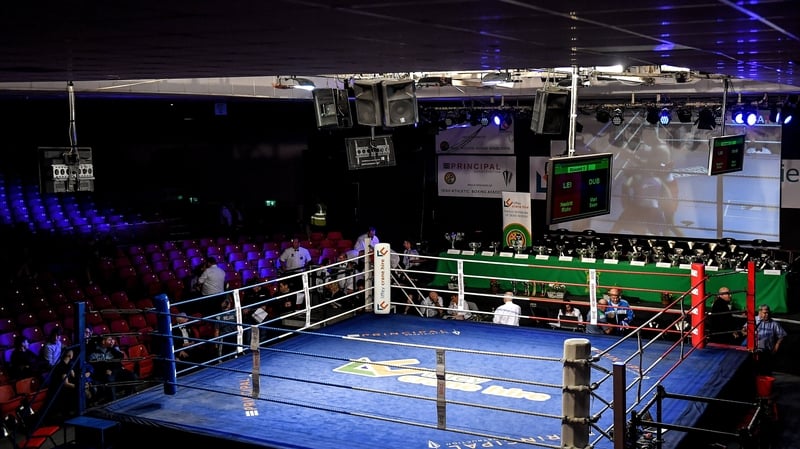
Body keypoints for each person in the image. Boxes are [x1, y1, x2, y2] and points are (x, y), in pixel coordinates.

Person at [88, 334, 137, 402]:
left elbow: (120, 357)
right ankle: (112, 402)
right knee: (110, 379)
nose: (112, 341)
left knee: (132, 375)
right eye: (109, 340)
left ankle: (128, 397)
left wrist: (113, 347)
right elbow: (96, 365)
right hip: (103, 373)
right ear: (103, 341)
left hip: (115, 370)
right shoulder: (94, 351)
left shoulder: (111, 349)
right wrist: (106, 369)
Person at [748, 304, 787, 374]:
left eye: (768, 313)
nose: (767, 315)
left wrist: (776, 347)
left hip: (767, 353)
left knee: (766, 372)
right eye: (765, 313)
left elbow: (782, 335)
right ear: (759, 312)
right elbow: (744, 330)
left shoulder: (774, 324)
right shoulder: (753, 320)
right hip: (753, 352)